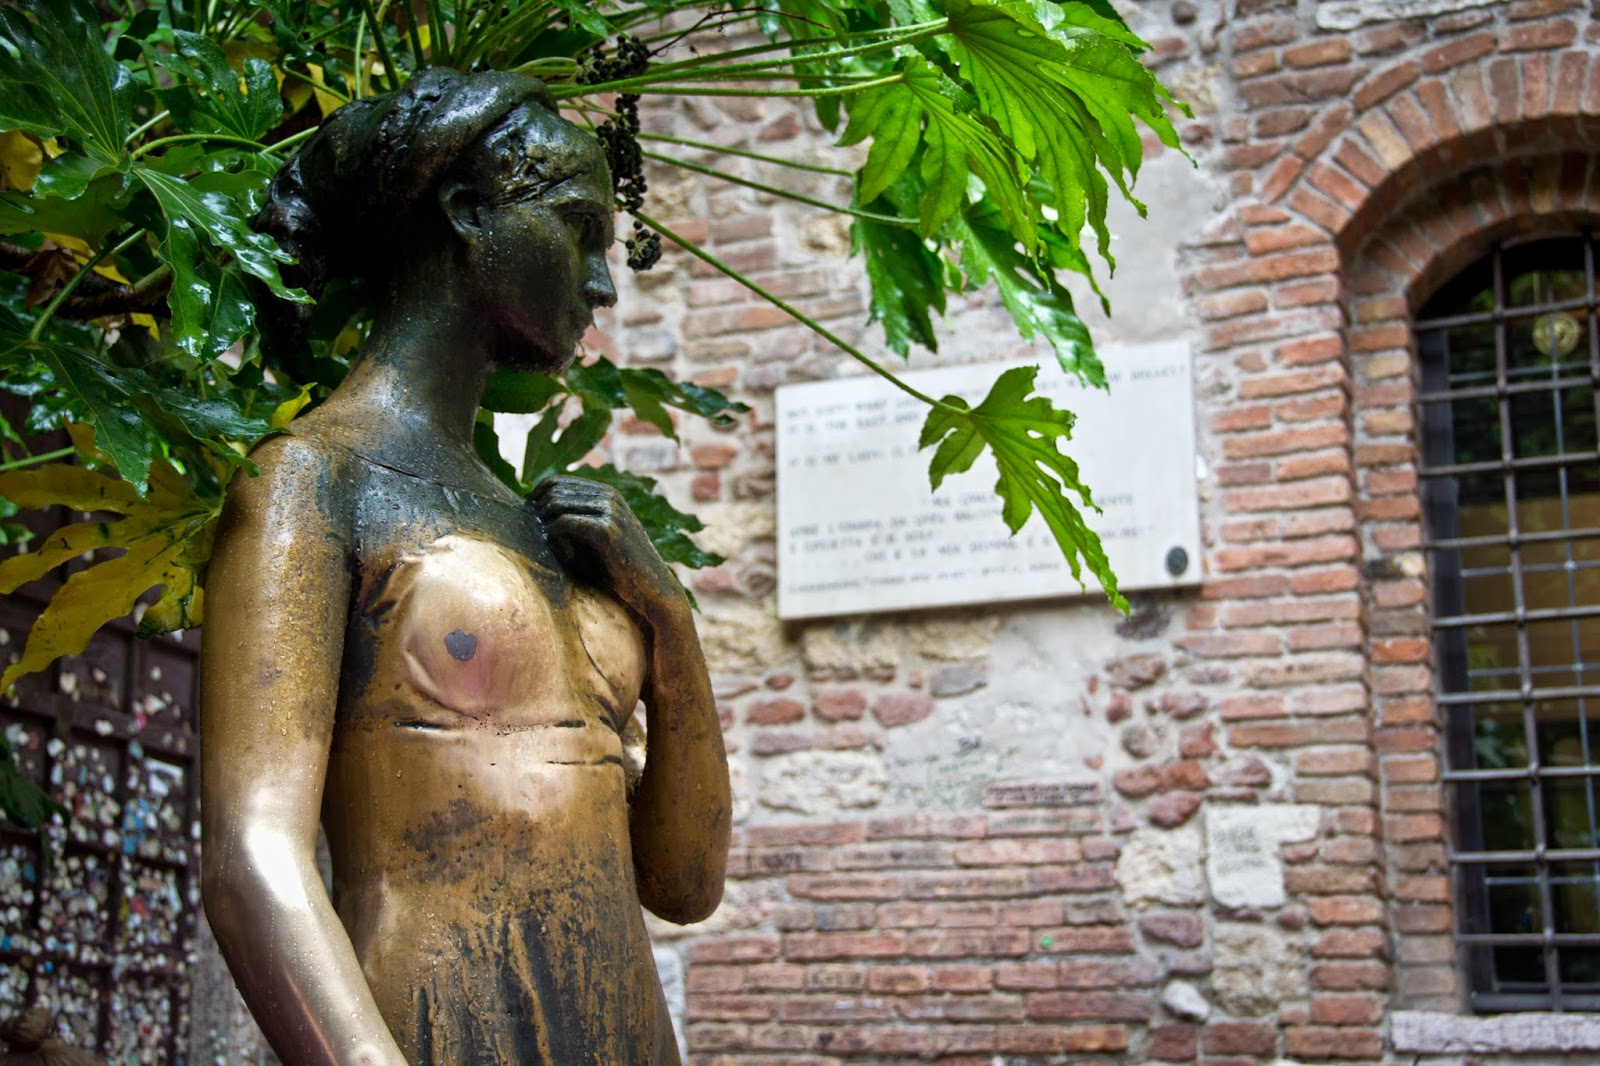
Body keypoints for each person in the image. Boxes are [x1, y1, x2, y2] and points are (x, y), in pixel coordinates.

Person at [199, 70, 731, 1066]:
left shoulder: (550, 530)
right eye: (578, 229)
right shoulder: (313, 483)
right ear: (467, 211)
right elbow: (252, 859)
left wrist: (669, 620)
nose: (604, 283)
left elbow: (685, 883)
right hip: (432, 1028)